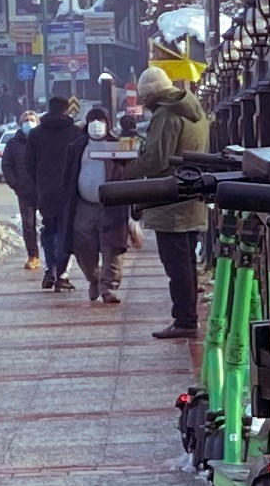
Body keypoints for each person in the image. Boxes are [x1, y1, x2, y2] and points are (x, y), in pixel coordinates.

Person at [133, 61, 211, 345]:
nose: (144, 103)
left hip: (171, 201)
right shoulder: (193, 110)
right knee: (186, 262)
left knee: (176, 266)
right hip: (191, 196)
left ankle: (185, 321)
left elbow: (156, 160)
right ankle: (186, 317)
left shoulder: (167, 115)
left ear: (152, 94)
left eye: (144, 97)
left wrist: (128, 169)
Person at [26, 83, 87, 292]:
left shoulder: (36, 135)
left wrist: (39, 183)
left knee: (48, 230)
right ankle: (62, 273)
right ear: (66, 110)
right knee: (66, 232)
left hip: (46, 191)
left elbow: (29, 163)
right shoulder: (76, 133)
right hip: (70, 191)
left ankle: (50, 268)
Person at [69, 118, 136, 304]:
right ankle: (93, 278)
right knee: (82, 245)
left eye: (100, 120)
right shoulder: (77, 147)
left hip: (112, 206)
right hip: (84, 205)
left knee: (113, 247)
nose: (96, 125)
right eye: (93, 120)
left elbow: (130, 169)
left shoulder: (118, 146)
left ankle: (110, 287)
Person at [0, 112, 41, 271]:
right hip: (25, 191)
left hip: (44, 190)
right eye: (25, 120)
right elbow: (6, 165)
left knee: (50, 224)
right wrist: (15, 183)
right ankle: (33, 255)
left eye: (31, 120)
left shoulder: (42, 140)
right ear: (20, 123)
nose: (28, 123)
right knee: (28, 225)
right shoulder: (14, 144)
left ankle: (53, 256)